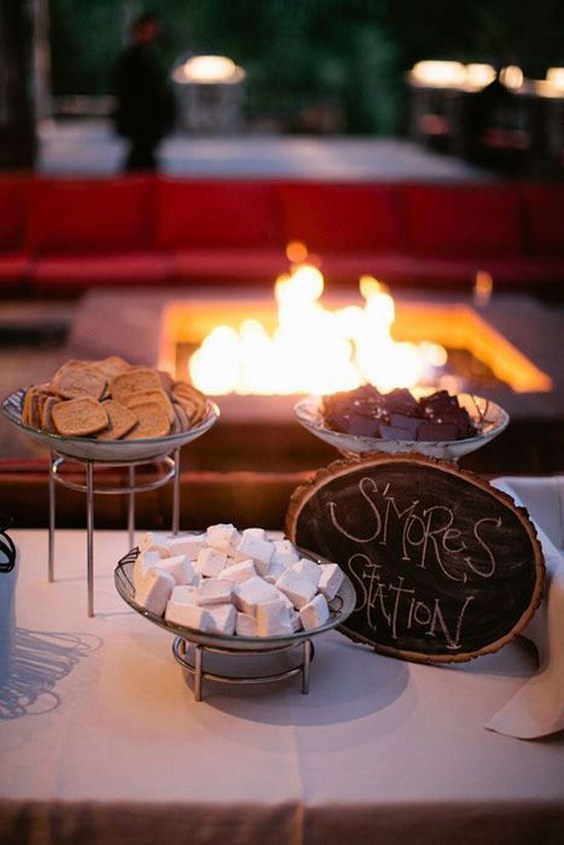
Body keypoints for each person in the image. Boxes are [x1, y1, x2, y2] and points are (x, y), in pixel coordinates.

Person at [112, 12, 176, 172]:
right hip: (140, 120)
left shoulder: (152, 56)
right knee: (140, 158)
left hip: (150, 121)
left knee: (142, 157)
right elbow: (127, 92)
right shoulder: (132, 59)